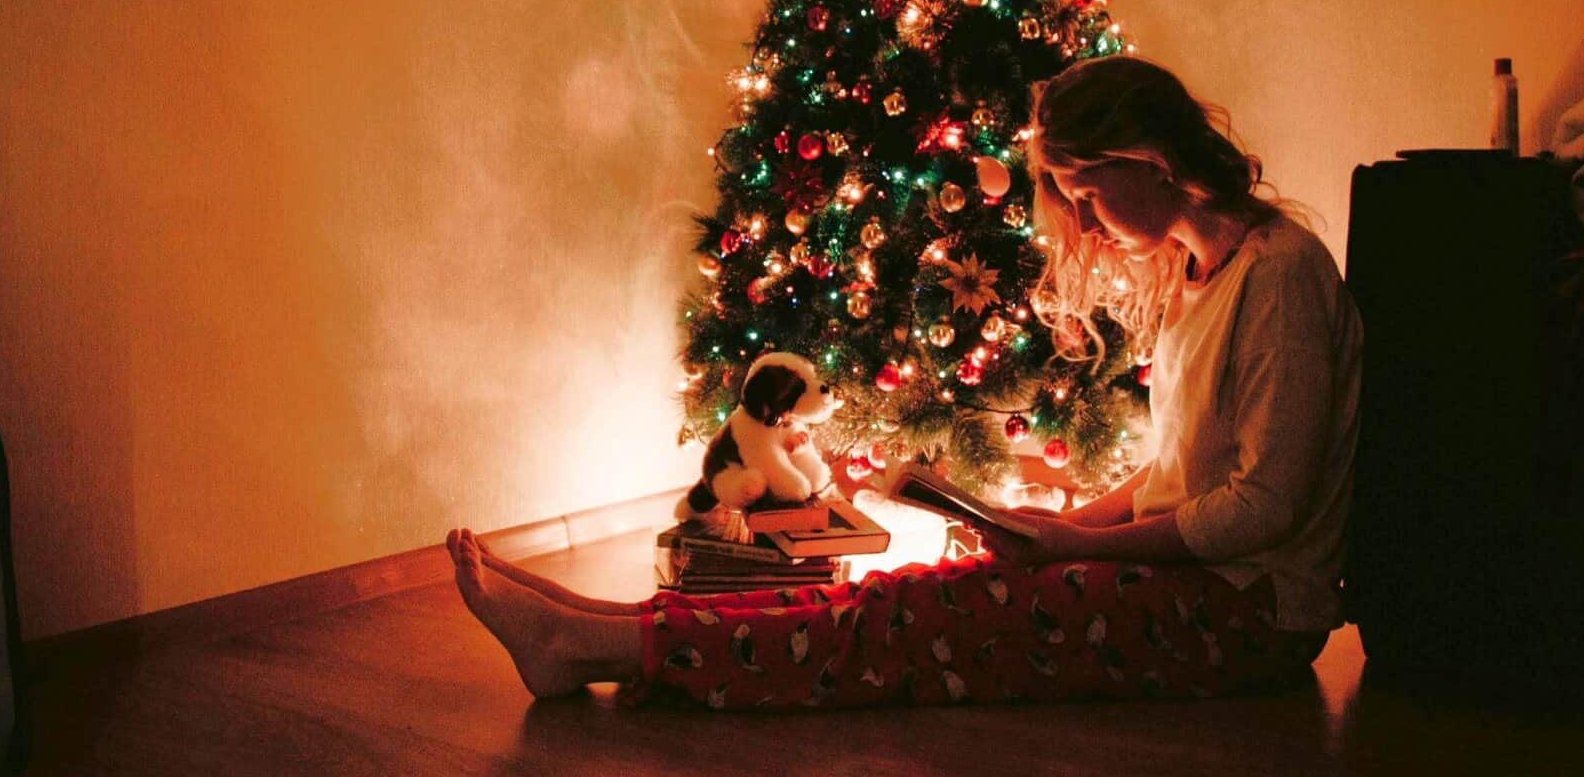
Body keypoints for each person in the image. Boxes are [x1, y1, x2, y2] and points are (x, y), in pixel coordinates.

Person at [446, 54, 1363, 709]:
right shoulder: (1196, 273)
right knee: (910, 590)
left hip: (1249, 615)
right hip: (1197, 587)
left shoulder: (1280, 274)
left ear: (1148, 158)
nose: (1082, 222)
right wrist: (1059, 528)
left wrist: (1080, 552)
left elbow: (1264, 509)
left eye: (1087, 191)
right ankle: (607, 625)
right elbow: (1175, 472)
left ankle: (601, 644)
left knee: (905, 617)